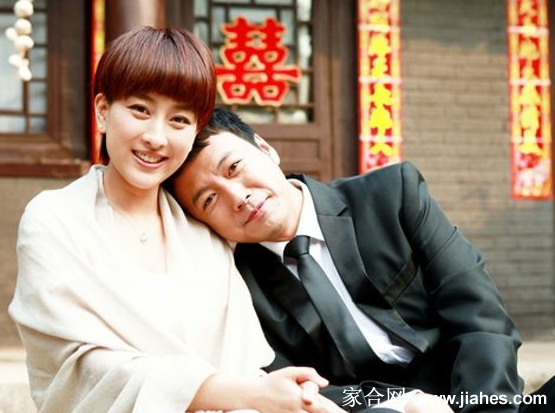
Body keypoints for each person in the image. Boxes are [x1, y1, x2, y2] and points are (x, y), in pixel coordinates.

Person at [8, 27, 344, 413]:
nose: (156, 137)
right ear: (103, 111)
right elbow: (81, 368)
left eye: (179, 120)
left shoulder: (204, 231)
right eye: (140, 110)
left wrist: (282, 394)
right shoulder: (54, 220)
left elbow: (244, 366)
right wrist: (241, 393)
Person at [168, 108, 555, 413]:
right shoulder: (237, 284)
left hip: (472, 392)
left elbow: (479, 316)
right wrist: (403, 404)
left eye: (234, 168)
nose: (238, 197)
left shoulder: (392, 194)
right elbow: (297, 387)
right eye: (209, 199)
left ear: (265, 149)